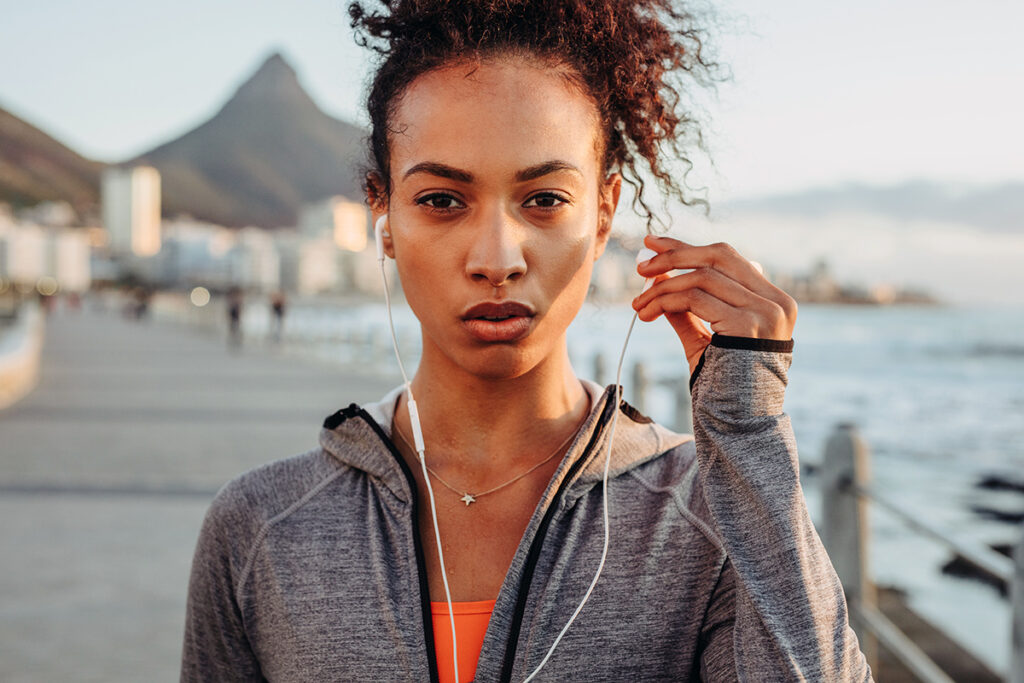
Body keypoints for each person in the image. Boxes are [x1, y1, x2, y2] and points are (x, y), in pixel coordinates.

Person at [182, 1, 872, 680]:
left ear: (602, 214)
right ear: (383, 214)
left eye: (543, 199)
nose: (496, 257)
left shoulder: (704, 517)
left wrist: (747, 426)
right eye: (442, 201)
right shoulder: (262, 526)